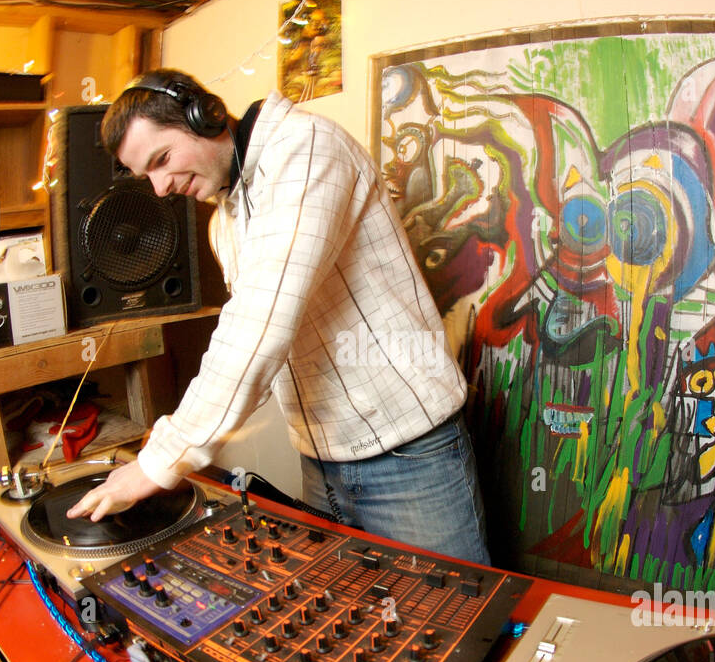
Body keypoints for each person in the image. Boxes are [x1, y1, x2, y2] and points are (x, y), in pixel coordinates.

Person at [65, 70, 490, 566]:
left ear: (205, 117)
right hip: (320, 459)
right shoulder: (226, 213)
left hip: (407, 454)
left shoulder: (306, 149)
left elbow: (259, 325)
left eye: (162, 160)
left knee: (452, 627)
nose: (160, 188)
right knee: (364, 627)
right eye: (147, 176)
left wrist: (160, 462)